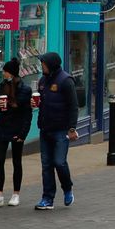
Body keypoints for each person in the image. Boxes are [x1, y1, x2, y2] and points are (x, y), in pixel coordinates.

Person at [33, 52, 78, 210]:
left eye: (43, 63)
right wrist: (35, 104)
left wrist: (72, 128)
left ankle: (67, 188)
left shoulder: (66, 81)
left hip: (61, 130)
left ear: (50, 64)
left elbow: (73, 107)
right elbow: (43, 103)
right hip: (45, 129)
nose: (41, 65)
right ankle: (47, 198)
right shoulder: (43, 81)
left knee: (59, 162)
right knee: (46, 165)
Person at [0, 58, 33, 207]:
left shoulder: (25, 89)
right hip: (2, 127)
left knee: (16, 161)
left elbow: (27, 113)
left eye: (5, 71)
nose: (3, 73)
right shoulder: (2, 86)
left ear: (12, 73)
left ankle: (15, 194)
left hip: (17, 128)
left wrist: (23, 134)